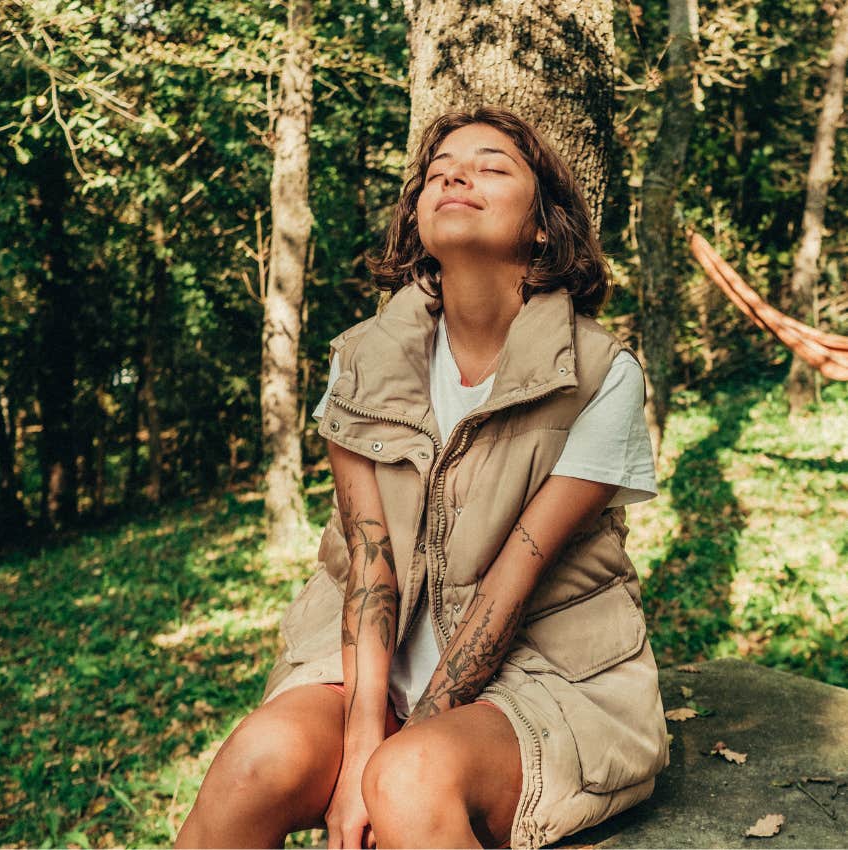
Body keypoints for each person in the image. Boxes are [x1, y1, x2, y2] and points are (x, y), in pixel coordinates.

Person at [176, 106, 668, 850]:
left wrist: (385, 767)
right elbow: (367, 565)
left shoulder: (599, 374)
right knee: (254, 761)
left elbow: (511, 587)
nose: (456, 176)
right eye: (439, 172)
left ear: (543, 226)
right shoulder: (359, 363)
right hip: (373, 674)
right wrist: (361, 741)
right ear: (418, 223)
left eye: (491, 166)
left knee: (407, 781)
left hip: (545, 680)